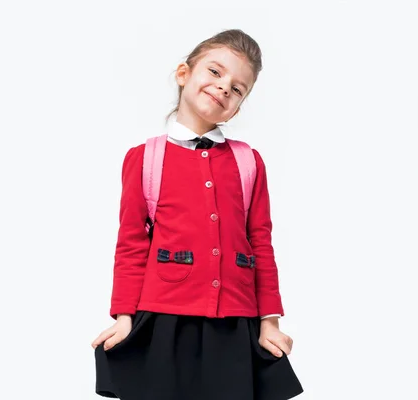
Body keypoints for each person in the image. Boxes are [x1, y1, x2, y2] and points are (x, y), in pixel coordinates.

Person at [91, 29, 304, 400]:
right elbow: (130, 243)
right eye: (215, 72)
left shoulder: (248, 162)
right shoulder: (145, 159)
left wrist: (269, 322)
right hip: (164, 318)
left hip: (236, 322)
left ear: (239, 105)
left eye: (238, 89)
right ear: (184, 73)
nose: (225, 88)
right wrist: (123, 316)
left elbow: (261, 244)